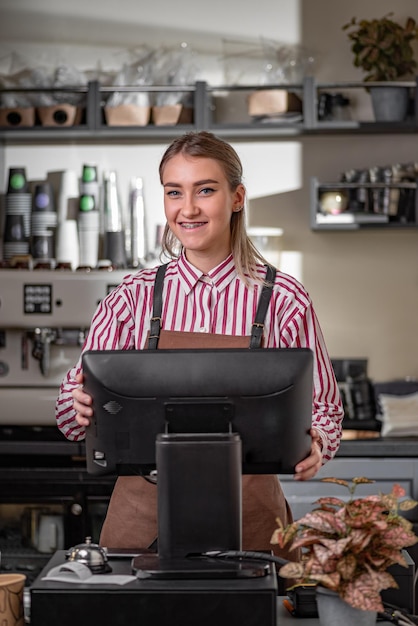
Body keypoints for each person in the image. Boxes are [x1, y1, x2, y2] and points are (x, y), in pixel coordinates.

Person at [56, 130, 343, 561]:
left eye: (205, 190)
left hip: (252, 522)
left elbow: (325, 409)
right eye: (174, 192)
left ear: (237, 197)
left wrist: (317, 443)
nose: (187, 209)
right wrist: (76, 406)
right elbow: (71, 413)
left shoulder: (284, 298)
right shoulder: (132, 298)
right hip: (141, 521)